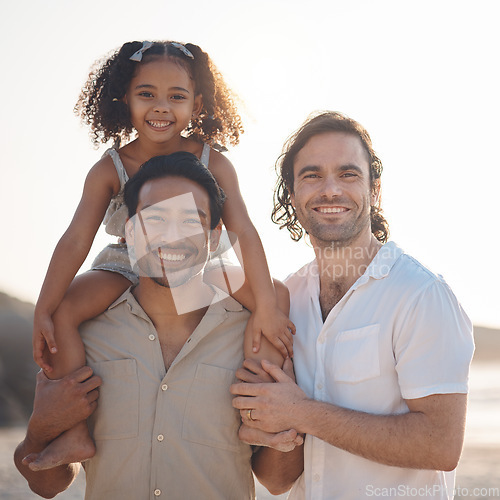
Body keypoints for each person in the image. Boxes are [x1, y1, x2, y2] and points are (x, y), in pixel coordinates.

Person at [31, 40, 294, 470]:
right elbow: (76, 240)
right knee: (63, 312)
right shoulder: (110, 168)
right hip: (124, 261)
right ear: (124, 99)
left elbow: (242, 230)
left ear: (198, 104)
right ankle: (74, 431)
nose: (161, 107)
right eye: (146, 93)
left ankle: (260, 416)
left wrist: (263, 306)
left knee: (276, 299)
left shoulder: (213, 161)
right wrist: (43, 307)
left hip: (199, 261)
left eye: (177, 96)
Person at [15, 152, 301, 499]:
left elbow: (279, 481)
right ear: (130, 232)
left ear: (214, 239)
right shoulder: (81, 332)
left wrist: (287, 419)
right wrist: (41, 429)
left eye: (190, 222)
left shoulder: (253, 334)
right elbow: (47, 485)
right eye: (156, 220)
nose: (172, 237)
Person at [231, 111, 475, 499]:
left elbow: (440, 445)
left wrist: (301, 412)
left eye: (348, 174)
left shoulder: (420, 295)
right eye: (311, 175)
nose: (330, 190)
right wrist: (278, 426)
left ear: (374, 190)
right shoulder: (285, 299)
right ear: (292, 196)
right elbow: (276, 482)